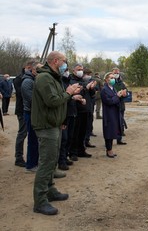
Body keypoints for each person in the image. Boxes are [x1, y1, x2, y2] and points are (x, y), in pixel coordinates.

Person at [31, 51, 82, 215]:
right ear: (55, 61)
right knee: (46, 163)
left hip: (53, 124)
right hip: (46, 125)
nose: (66, 64)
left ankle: (50, 191)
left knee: (52, 161)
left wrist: (68, 93)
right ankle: (40, 201)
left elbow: (58, 97)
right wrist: (69, 93)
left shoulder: (52, 77)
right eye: (64, 61)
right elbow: (52, 101)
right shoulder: (44, 78)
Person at [69, 64, 94, 159]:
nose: (81, 71)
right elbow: (75, 93)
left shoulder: (83, 80)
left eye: (82, 69)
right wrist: (85, 87)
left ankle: (81, 150)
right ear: (74, 71)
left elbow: (91, 95)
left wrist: (91, 88)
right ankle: (73, 152)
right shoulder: (72, 81)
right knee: (75, 133)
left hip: (85, 110)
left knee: (83, 132)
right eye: (79, 69)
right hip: (76, 110)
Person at [100, 72, 127, 158]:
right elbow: (109, 101)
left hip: (115, 112)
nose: (113, 79)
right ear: (106, 79)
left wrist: (122, 95)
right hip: (109, 113)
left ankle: (110, 149)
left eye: (113, 78)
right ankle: (109, 150)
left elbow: (117, 99)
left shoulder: (113, 88)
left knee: (113, 131)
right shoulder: (104, 90)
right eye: (110, 78)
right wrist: (117, 96)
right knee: (109, 131)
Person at [22, 62, 40, 173]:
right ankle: (30, 165)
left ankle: (35, 162)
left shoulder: (33, 80)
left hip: (34, 113)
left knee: (36, 139)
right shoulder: (27, 82)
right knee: (32, 139)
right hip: (30, 113)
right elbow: (32, 100)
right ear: (33, 70)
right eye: (38, 70)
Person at [13, 64, 31, 167]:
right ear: (27, 67)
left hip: (28, 110)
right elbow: (21, 93)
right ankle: (18, 157)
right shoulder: (19, 79)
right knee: (22, 133)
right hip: (22, 110)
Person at [112, 67, 127, 145]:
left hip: (121, 105)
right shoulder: (110, 82)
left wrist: (125, 94)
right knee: (112, 122)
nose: (116, 74)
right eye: (115, 73)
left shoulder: (122, 83)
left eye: (117, 73)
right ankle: (110, 140)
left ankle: (119, 139)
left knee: (120, 121)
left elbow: (126, 92)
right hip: (112, 105)